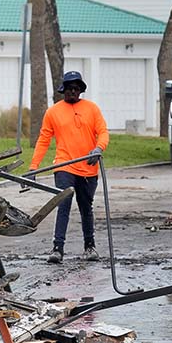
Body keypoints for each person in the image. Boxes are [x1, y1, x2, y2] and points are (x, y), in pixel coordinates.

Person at [29, 71, 109, 264]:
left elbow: (103, 133)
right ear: (62, 90)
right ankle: (58, 249)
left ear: (80, 90)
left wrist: (98, 149)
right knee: (63, 204)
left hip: (88, 168)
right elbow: (43, 140)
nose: (72, 92)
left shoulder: (92, 109)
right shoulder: (53, 112)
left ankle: (90, 247)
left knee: (85, 207)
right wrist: (34, 167)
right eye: (69, 88)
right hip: (64, 166)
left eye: (76, 88)